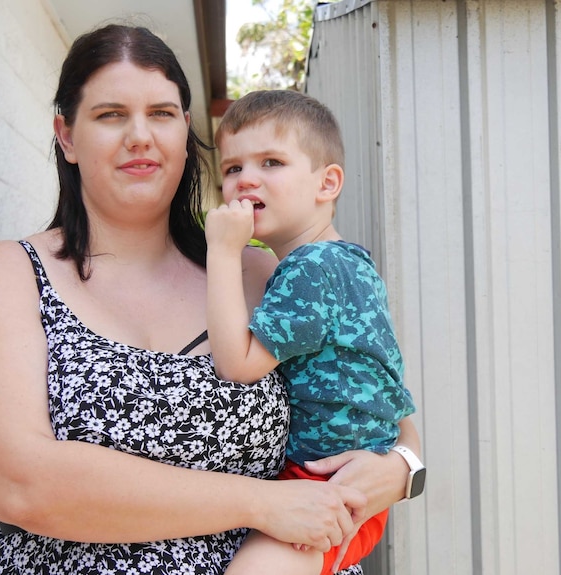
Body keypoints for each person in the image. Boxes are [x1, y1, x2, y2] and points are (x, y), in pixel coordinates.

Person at [0, 23, 421, 575]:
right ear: (66, 136)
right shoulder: (7, 276)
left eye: (162, 114)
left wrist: (404, 468)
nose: (140, 136)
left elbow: (370, 390)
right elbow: (19, 484)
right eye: (110, 114)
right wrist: (261, 503)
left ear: (185, 132)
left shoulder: (264, 273)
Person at [204, 89, 419, 575]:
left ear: (327, 184)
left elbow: (237, 366)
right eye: (233, 168)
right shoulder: (353, 262)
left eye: (272, 162)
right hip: (359, 476)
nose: (245, 180)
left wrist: (221, 251)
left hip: (329, 487)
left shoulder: (311, 268)